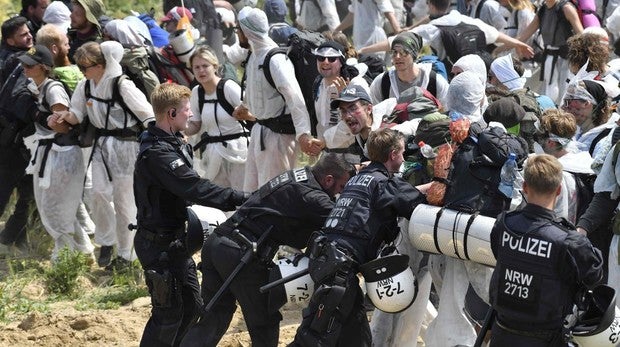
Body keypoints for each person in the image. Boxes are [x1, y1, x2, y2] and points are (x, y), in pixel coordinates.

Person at [181, 153, 354, 346]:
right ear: (328, 179)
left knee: (213, 318)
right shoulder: (313, 197)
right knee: (265, 323)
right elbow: (345, 223)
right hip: (241, 254)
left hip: (218, 243)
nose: (340, 193)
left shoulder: (299, 176)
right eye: (341, 187)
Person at [132, 82, 245, 347]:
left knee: (193, 306)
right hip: (156, 244)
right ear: (171, 114)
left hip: (175, 241)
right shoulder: (158, 154)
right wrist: (241, 198)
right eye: (186, 110)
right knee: (167, 314)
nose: (191, 115)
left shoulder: (171, 142)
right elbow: (194, 188)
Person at [290, 127, 427, 346]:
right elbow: (416, 204)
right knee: (313, 337)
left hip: (327, 260)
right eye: (401, 153)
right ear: (392, 155)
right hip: (339, 273)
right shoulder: (385, 183)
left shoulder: (357, 178)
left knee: (355, 337)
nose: (403, 159)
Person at [50, 41, 154, 269]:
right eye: (80, 67)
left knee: (125, 202)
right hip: (101, 147)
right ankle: (107, 241)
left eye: (86, 66)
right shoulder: (85, 86)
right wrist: (63, 116)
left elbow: (147, 114)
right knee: (97, 194)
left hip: (127, 147)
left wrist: (160, 141)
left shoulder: (122, 85)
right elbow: (77, 115)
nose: (82, 71)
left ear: (101, 64)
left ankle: (126, 255)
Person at [489, 154, 604, 346]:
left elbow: (498, 254)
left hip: (502, 330)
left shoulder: (504, 224)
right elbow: (594, 275)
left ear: (525, 187)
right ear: (559, 190)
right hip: (545, 337)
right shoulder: (569, 240)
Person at [232, 7, 322, 192]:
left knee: (275, 194)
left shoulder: (276, 60)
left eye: (238, 29)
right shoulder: (254, 56)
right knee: (251, 193)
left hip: (278, 137)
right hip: (259, 132)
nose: (237, 34)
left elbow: (295, 99)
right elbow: (254, 89)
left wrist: (303, 134)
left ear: (247, 31)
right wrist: (244, 107)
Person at [20, 44, 94, 261]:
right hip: (51, 153)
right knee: (55, 205)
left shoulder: (53, 89)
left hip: (61, 154)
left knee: (55, 207)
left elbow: (64, 126)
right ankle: (84, 249)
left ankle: (64, 256)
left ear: (43, 67)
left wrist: (44, 119)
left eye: (29, 65)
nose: (25, 68)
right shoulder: (38, 87)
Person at [185, 46, 247, 191]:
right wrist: (179, 128)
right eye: (196, 67)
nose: (201, 71)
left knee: (243, 195)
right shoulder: (196, 92)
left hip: (239, 152)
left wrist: (243, 114)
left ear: (215, 66)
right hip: (213, 154)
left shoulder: (229, 87)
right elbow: (195, 125)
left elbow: (253, 114)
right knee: (218, 200)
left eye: (205, 66)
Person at [0, 16, 35, 252]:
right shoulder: (17, 62)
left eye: (29, 32)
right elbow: (19, 102)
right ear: (10, 39)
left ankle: (14, 236)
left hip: (11, 136)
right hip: (13, 138)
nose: (29, 36)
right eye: (23, 35)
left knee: (28, 190)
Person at [515, 0, 583, 103]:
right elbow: (524, 36)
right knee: (546, 92)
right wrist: (504, 47)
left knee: (564, 95)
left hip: (566, 60)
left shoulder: (566, 8)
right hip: (548, 59)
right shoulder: (542, 10)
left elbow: (582, 37)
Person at [369, 31, 449, 105]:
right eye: (394, 52)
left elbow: (447, 110)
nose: (397, 57)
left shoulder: (434, 81)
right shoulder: (382, 82)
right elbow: (374, 113)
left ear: (414, 55)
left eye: (404, 52)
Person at [322, 84, 384, 163]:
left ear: (369, 109)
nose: (347, 116)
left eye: (353, 108)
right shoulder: (355, 137)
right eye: (343, 111)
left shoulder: (387, 131)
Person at [333, 0, 400, 59]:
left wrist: (397, 30)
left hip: (375, 42)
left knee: (376, 70)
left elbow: (387, 10)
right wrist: (336, 30)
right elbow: (352, 14)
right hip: (359, 41)